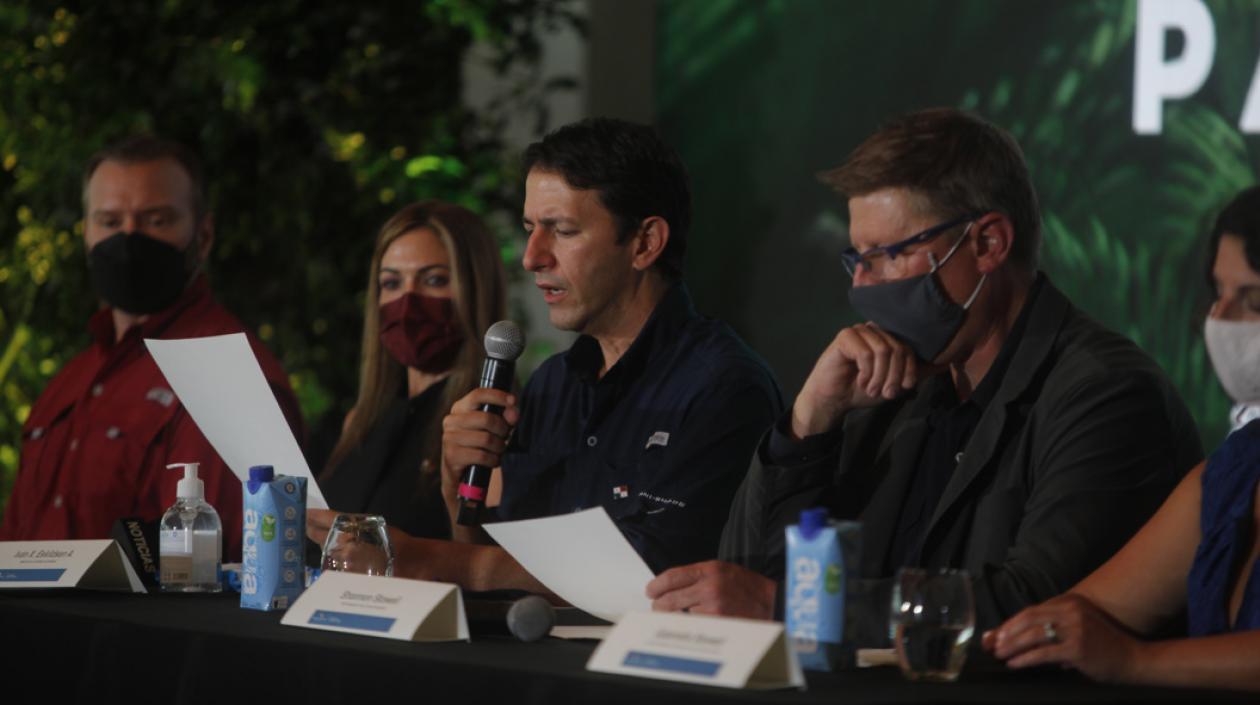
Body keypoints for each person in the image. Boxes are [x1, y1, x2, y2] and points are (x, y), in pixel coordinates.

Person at [646, 108, 1203, 637]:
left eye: (887, 254)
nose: (863, 285)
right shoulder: (892, 385)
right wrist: (809, 423)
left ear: (987, 243)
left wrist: (795, 608)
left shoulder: (1106, 394)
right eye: (856, 259)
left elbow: (1033, 605)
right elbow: (755, 570)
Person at [310, 117, 782, 591]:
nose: (532, 256)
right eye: (531, 228)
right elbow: (508, 574)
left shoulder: (722, 385)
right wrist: (457, 489)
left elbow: (654, 575)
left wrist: (434, 558)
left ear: (645, 242)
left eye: (562, 230)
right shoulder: (552, 384)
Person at [982, 187, 1260, 691]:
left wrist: (1135, 662)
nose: (1221, 322)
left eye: (1253, 300)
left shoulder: (1106, 386)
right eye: (1218, 294)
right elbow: (1083, 614)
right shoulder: (1235, 471)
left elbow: (1115, 650)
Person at [0, 135, 302, 559]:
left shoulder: (229, 379)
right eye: (108, 221)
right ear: (86, 232)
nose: (128, 239)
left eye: (156, 220)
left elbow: (214, 571)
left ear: (205, 234)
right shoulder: (73, 378)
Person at [318, 201, 507, 538]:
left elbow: (484, 562)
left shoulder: (489, 430)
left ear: (475, 290)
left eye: (433, 280)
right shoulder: (356, 423)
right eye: (391, 283)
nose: (407, 302)